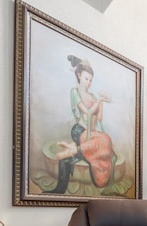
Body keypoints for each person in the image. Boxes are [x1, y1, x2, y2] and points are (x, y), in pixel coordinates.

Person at [47, 55, 116, 193]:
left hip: (93, 134)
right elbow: (88, 112)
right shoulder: (75, 92)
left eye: (91, 80)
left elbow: (99, 118)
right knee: (103, 141)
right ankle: (74, 148)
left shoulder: (94, 96)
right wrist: (97, 103)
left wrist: (101, 102)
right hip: (80, 130)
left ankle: (73, 150)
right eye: (86, 79)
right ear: (79, 75)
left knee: (106, 140)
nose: (89, 83)